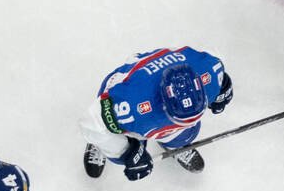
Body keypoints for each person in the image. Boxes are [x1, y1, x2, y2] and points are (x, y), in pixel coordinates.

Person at [86, 46, 233, 178]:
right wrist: (128, 153)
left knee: (187, 133)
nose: (190, 123)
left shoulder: (209, 72)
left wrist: (223, 84)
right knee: (112, 142)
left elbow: (216, 60)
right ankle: (99, 144)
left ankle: (173, 144)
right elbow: (91, 122)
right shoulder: (127, 106)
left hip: (147, 95)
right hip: (120, 94)